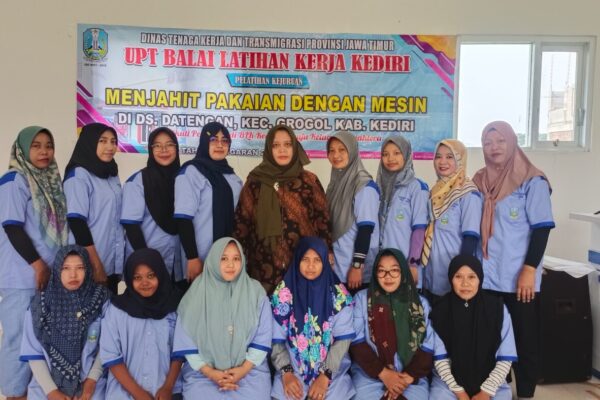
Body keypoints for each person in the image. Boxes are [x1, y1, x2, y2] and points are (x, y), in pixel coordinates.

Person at [472, 121, 554, 399]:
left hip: (519, 275)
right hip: (487, 276)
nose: (493, 148)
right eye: (487, 143)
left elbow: (542, 229)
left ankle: (526, 392)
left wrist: (529, 269)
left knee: (524, 337)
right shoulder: (480, 180)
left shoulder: (532, 180)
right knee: (493, 337)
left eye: (500, 141)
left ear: (512, 142)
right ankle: (500, 389)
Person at [0, 126, 69, 400]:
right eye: (36, 145)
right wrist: (38, 265)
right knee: (18, 338)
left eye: (48, 145)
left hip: (49, 276)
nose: (44, 151)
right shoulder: (14, 181)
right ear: (23, 149)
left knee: (40, 340)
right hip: (22, 276)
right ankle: (14, 394)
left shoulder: (50, 182)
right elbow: (12, 226)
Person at [234, 124, 331, 293]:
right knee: (265, 308)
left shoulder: (309, 181)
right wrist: (238, 259)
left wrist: (327, 251)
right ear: (268, 149)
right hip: (263, 267)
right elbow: (242, 224)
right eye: (276, 145)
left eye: (287, 144)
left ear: (295, 147)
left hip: (304, 266)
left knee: (303, 307)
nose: (282, 150)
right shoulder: (255, 182)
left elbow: (323, 221)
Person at [173, 237, 272, 399]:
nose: (230, 265)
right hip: (203, 374)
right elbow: (186, 339)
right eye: (223, 258)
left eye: (236, 259)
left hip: (249, 372)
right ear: (213, 260)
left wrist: (243, 370)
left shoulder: (256, 292)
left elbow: (263, 337)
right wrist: (210, 373)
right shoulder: (195, 295)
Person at [20, 245, 110, 400]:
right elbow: (34, 353)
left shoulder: (102, 299)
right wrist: (51, 391)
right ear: (56, 270)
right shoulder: (40, 305)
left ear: (88, 269)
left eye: (80, 268)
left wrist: (91, 381)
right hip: (46, 387)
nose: (73, 274)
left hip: (92, 384)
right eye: (65, 268)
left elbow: (109, 345)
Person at [270, 237, 355, 400]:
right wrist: (286, 372)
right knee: (286, 394)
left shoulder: (339, 295)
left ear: (325, 261)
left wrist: (325, 375)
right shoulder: (283, 294)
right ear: (297, 260)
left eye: (317, 260)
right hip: (293, 369)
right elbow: (275, 340)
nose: (311, 266)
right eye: (305, 259)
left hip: (332, 372)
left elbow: (343, 340)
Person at [350, 248, 434, 400]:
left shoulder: (420, 304)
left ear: (403, 272)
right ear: (375, 273)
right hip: (370, 375)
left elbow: (429, 347)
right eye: (382, 271)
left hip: (410, 376)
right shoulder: (361, 299)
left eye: (394, 270)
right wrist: (384, 374)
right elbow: (356, 343)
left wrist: (405, 378)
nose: (388, 276)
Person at [429, 255, 517, 400]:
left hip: (492, 381)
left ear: (480, 279)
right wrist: (459, 392)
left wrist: (486, 392)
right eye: (458, 277)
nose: (465, 283)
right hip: (448, 382)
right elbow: (441, 360)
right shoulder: (440, 310)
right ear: (451, 279)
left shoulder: (497, 309)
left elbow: (505, 358)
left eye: (471, 277)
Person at [99, 248, 183, 399]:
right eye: (137, 277)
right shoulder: (116, 310)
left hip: (164, 392)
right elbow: (111, 356)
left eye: (151, 276)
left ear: (161, 274)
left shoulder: (175, 308)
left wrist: (168, 387)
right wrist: (139, 394)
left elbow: (179, 352)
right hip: (123, 393)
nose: (145, 282)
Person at [174, 122, 242, 283]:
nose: (219, 145)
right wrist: (192, 257)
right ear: (204, 142)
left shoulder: (233, 178)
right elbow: (183, 219)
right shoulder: (191, 172)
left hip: (227, 261)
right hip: (199, 257)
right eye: (213, 139)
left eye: (224, 140)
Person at [64, 123, 124, 294]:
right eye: (102, 141)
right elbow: (76, 222)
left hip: (110, 263)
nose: (110, 147)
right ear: (90, 142)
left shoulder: (111, 173)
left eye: (113, 141)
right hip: (89, 265)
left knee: (108, 309)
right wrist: (95, 264)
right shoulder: (79, 176)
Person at [121, 127, 185, 285]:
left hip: (177, 264)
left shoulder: (184, 179)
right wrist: (146, 262)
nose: (164, 150)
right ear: (150, 149)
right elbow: (131, 226)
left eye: (169, 144)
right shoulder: (137, 181)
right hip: (146, 266)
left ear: (176, 148)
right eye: (157, 145)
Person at [422, 139, 482, 300]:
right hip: (431, 273)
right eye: (438, 156)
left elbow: (471, 238)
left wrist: (461, 275)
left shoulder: (468, 193)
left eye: (450, 157)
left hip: (453, 274)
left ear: (460, 160)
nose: (442, 162)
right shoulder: (435, 191)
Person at [326, 131, 380, 290]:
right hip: (338, 268)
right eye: (331, 150)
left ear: (352, 151)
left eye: (342, 150)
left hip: (356, 273)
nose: (336, 155)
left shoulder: (364, 186)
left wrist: (357, 266)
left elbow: (366, 229)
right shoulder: (335, 184)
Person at [377, 136, 429, 286]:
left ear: (406, 155)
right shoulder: (379, 186)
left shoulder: (417, 187)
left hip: (406, 266)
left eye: (396, 153)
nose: (390, 158)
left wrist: (413, 264)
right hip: (383, 267)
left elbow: (419, 229)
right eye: (385, 154)